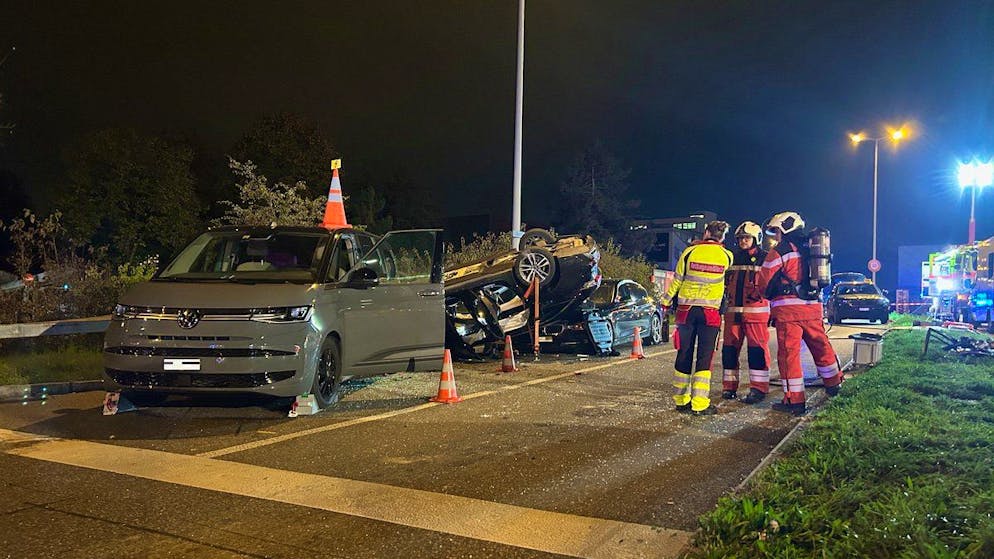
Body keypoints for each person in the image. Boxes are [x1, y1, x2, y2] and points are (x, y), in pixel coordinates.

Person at [756, 211, 842, 416]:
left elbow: (764, 282)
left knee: (789, 355)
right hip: (812, 308)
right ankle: (834, 384)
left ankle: (794, 400)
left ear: (784, 229)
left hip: (788, 311)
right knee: (821, 345)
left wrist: (767, 295)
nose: (775, 236)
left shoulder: (780, 251)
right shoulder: (812, 248)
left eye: (776, 231)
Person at [662, 220, 734, 416]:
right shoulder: (727, 256)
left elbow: (677, 280)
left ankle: (680, 400)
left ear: (706, 233)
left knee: (684, 353)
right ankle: (700, 403)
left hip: (686, 311)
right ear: (722, 236)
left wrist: (665, 302)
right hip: (710, 313)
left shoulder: (689, 252)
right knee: (704, 357)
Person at [721, 221, 771, 404]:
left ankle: (758, 389)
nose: (743, 241)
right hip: (732, 315)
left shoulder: (766, 258)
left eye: (747, 238)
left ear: (756, 239)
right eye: (741, 238)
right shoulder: (732, 257)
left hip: (756, 315)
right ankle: (729, 387)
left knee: (756, 351)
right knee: (729, 351)